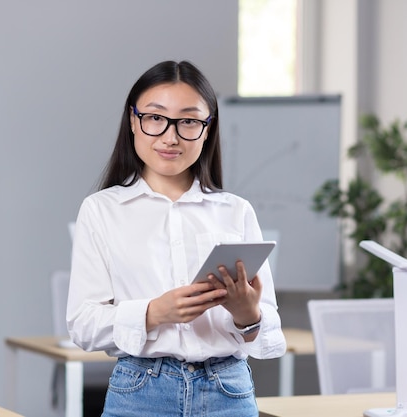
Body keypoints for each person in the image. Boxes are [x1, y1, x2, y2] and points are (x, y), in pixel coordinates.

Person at [66, 60, 286, 417]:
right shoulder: (101, 210)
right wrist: (154, 313)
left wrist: (248, 315)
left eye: (188, 121)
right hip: (140, 391)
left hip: (227, 390)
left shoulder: (236, 211)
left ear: (207, 130)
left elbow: (266, 333)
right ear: (134, 121)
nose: (170, 137)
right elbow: (83, 324)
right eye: (155, 118)